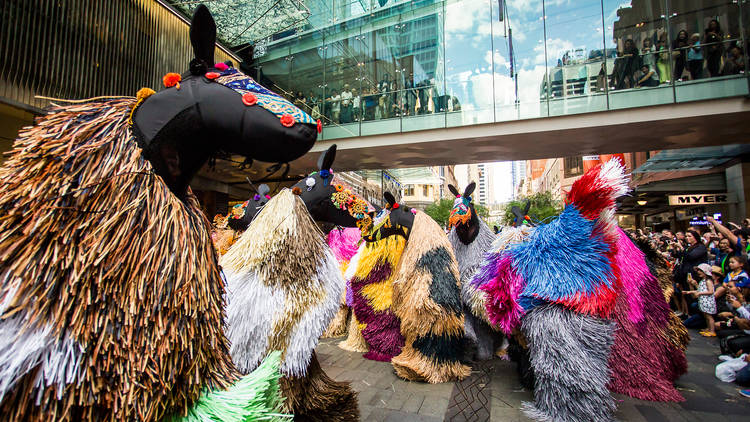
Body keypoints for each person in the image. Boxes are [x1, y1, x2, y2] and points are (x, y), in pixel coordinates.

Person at [673, 230, 708, 315]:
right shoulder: (688, 247)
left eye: (690, 236)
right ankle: (688, 314)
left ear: (695, 237)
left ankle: (697, 315)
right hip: (685, 274)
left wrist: (681, 248)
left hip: (695, 275)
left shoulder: (700, 247)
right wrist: (675, 248)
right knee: (686, 295)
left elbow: (691, 256)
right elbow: (677, 255)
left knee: (693, 295)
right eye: (686, 236)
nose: (687, 238)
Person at [684, 264, 717, 336]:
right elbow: (699, 289)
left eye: (701, 271)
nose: (698, 272)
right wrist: (690, 291)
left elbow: (711, 291)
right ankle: (708, 328)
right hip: (703, 301)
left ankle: (712, 331)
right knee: (706, 316)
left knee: (709, 317)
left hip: (707, 302)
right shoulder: (703, 281)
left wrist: (700, 293)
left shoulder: (708, 281)